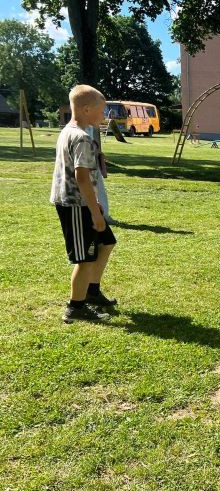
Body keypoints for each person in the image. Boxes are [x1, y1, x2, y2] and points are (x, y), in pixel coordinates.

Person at [51, 85, 118, 323]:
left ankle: (92, 291)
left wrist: (97, 205)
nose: (104, 116)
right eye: (102, 110)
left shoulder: (69, 131)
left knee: (107, 242)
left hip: (84, 203)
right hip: (75, 205)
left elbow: (85, 178)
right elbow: (81, 178)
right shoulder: (81, 138)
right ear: (87, 109)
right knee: (85, 257)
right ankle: (76, 307)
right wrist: (96, 213)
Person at [86, 125, 117, 225]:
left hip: (93, 162)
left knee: (100, 189)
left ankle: (104, 215)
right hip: (86, 164)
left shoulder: (90, 126)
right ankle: (93, 216)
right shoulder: (80, 127)